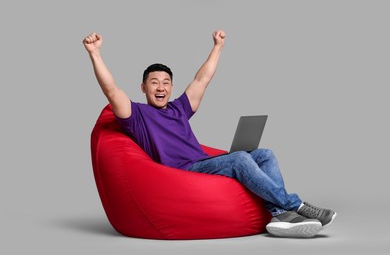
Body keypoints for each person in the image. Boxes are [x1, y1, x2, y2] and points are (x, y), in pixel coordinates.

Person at [83, 30, 336, 238]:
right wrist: (95, 54)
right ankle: (295, 206)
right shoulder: (136, 115)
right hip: (183, 171)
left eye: (166, 82)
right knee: (238, 160)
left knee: (265, 154)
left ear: (171, 87)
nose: (161, 87)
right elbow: (111, 89)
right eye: (154, 82)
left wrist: (217, 47)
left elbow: (202, 80)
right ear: (143, 87)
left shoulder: (178, 109)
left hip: (203, 162)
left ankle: (280, 215)